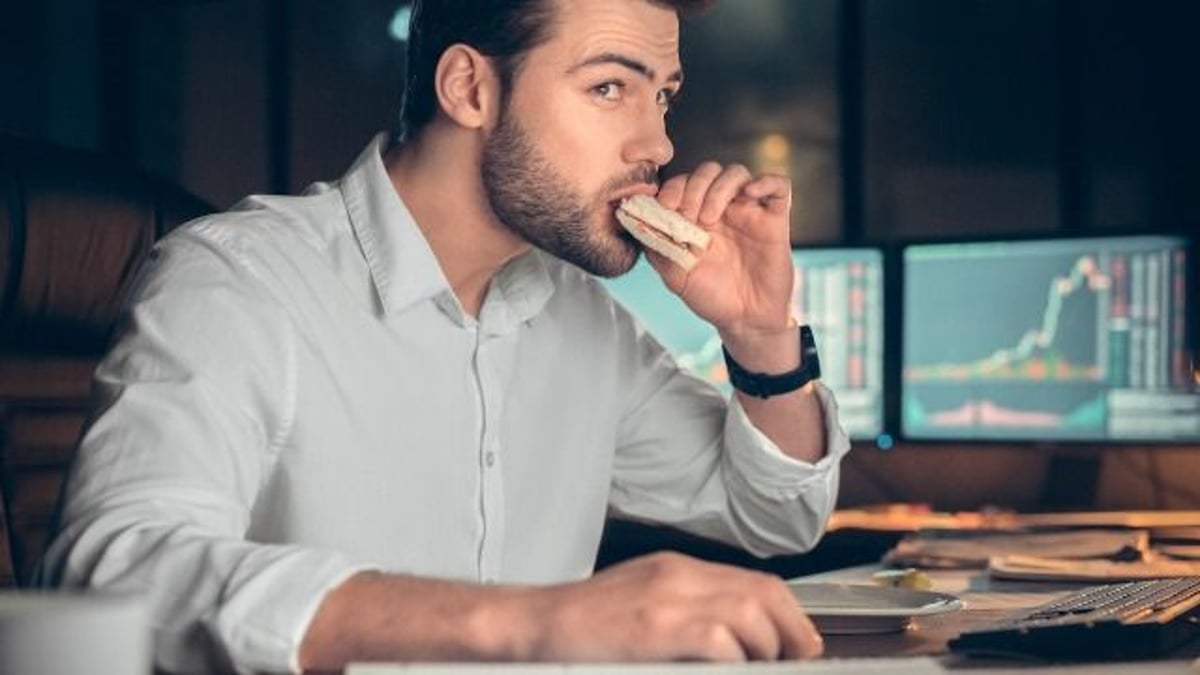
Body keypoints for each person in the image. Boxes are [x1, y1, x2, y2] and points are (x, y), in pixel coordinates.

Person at [38, 0, 851, 671]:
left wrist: (757, 329)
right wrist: (537, 623)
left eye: (662, 96)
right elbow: (115, 572)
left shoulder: (582, 320)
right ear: (469, 88)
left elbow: (777, 516)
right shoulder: (240, 280)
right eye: (610, 88)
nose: (660, 145)